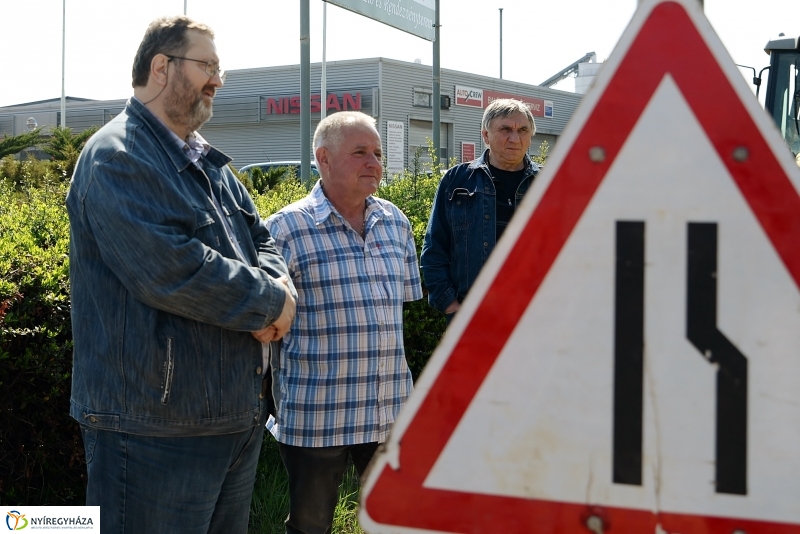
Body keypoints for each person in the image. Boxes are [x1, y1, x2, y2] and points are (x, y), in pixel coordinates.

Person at [66, 16, 296, 534]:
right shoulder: (117, 157)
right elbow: (171, 269)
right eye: (207, 65)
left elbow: (260, 237)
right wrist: (269, 304)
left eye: (220, 68)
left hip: (231, 417)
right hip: (153, 429)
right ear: (161, 67)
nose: (218, 80)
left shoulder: (208, 162)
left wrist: (277, 289)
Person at [265, 111, 423, 534]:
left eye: (377, 152)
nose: (374, 162)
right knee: (310, 524)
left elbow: (400, 308)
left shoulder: (396, 223)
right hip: (318, 412)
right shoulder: (283, 230)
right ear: (324, 158)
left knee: (396, 519)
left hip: (390, 407)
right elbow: (264, 324)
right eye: (360, 152)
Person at [421, 98, 539, 320]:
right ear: (485, 135)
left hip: (535, 317)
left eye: (523, 130)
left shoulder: (550, 183)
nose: (515, 138)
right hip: (472, 316)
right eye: (505, 129)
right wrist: (451, 305)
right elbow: (434, 249)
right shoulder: (457, 180)